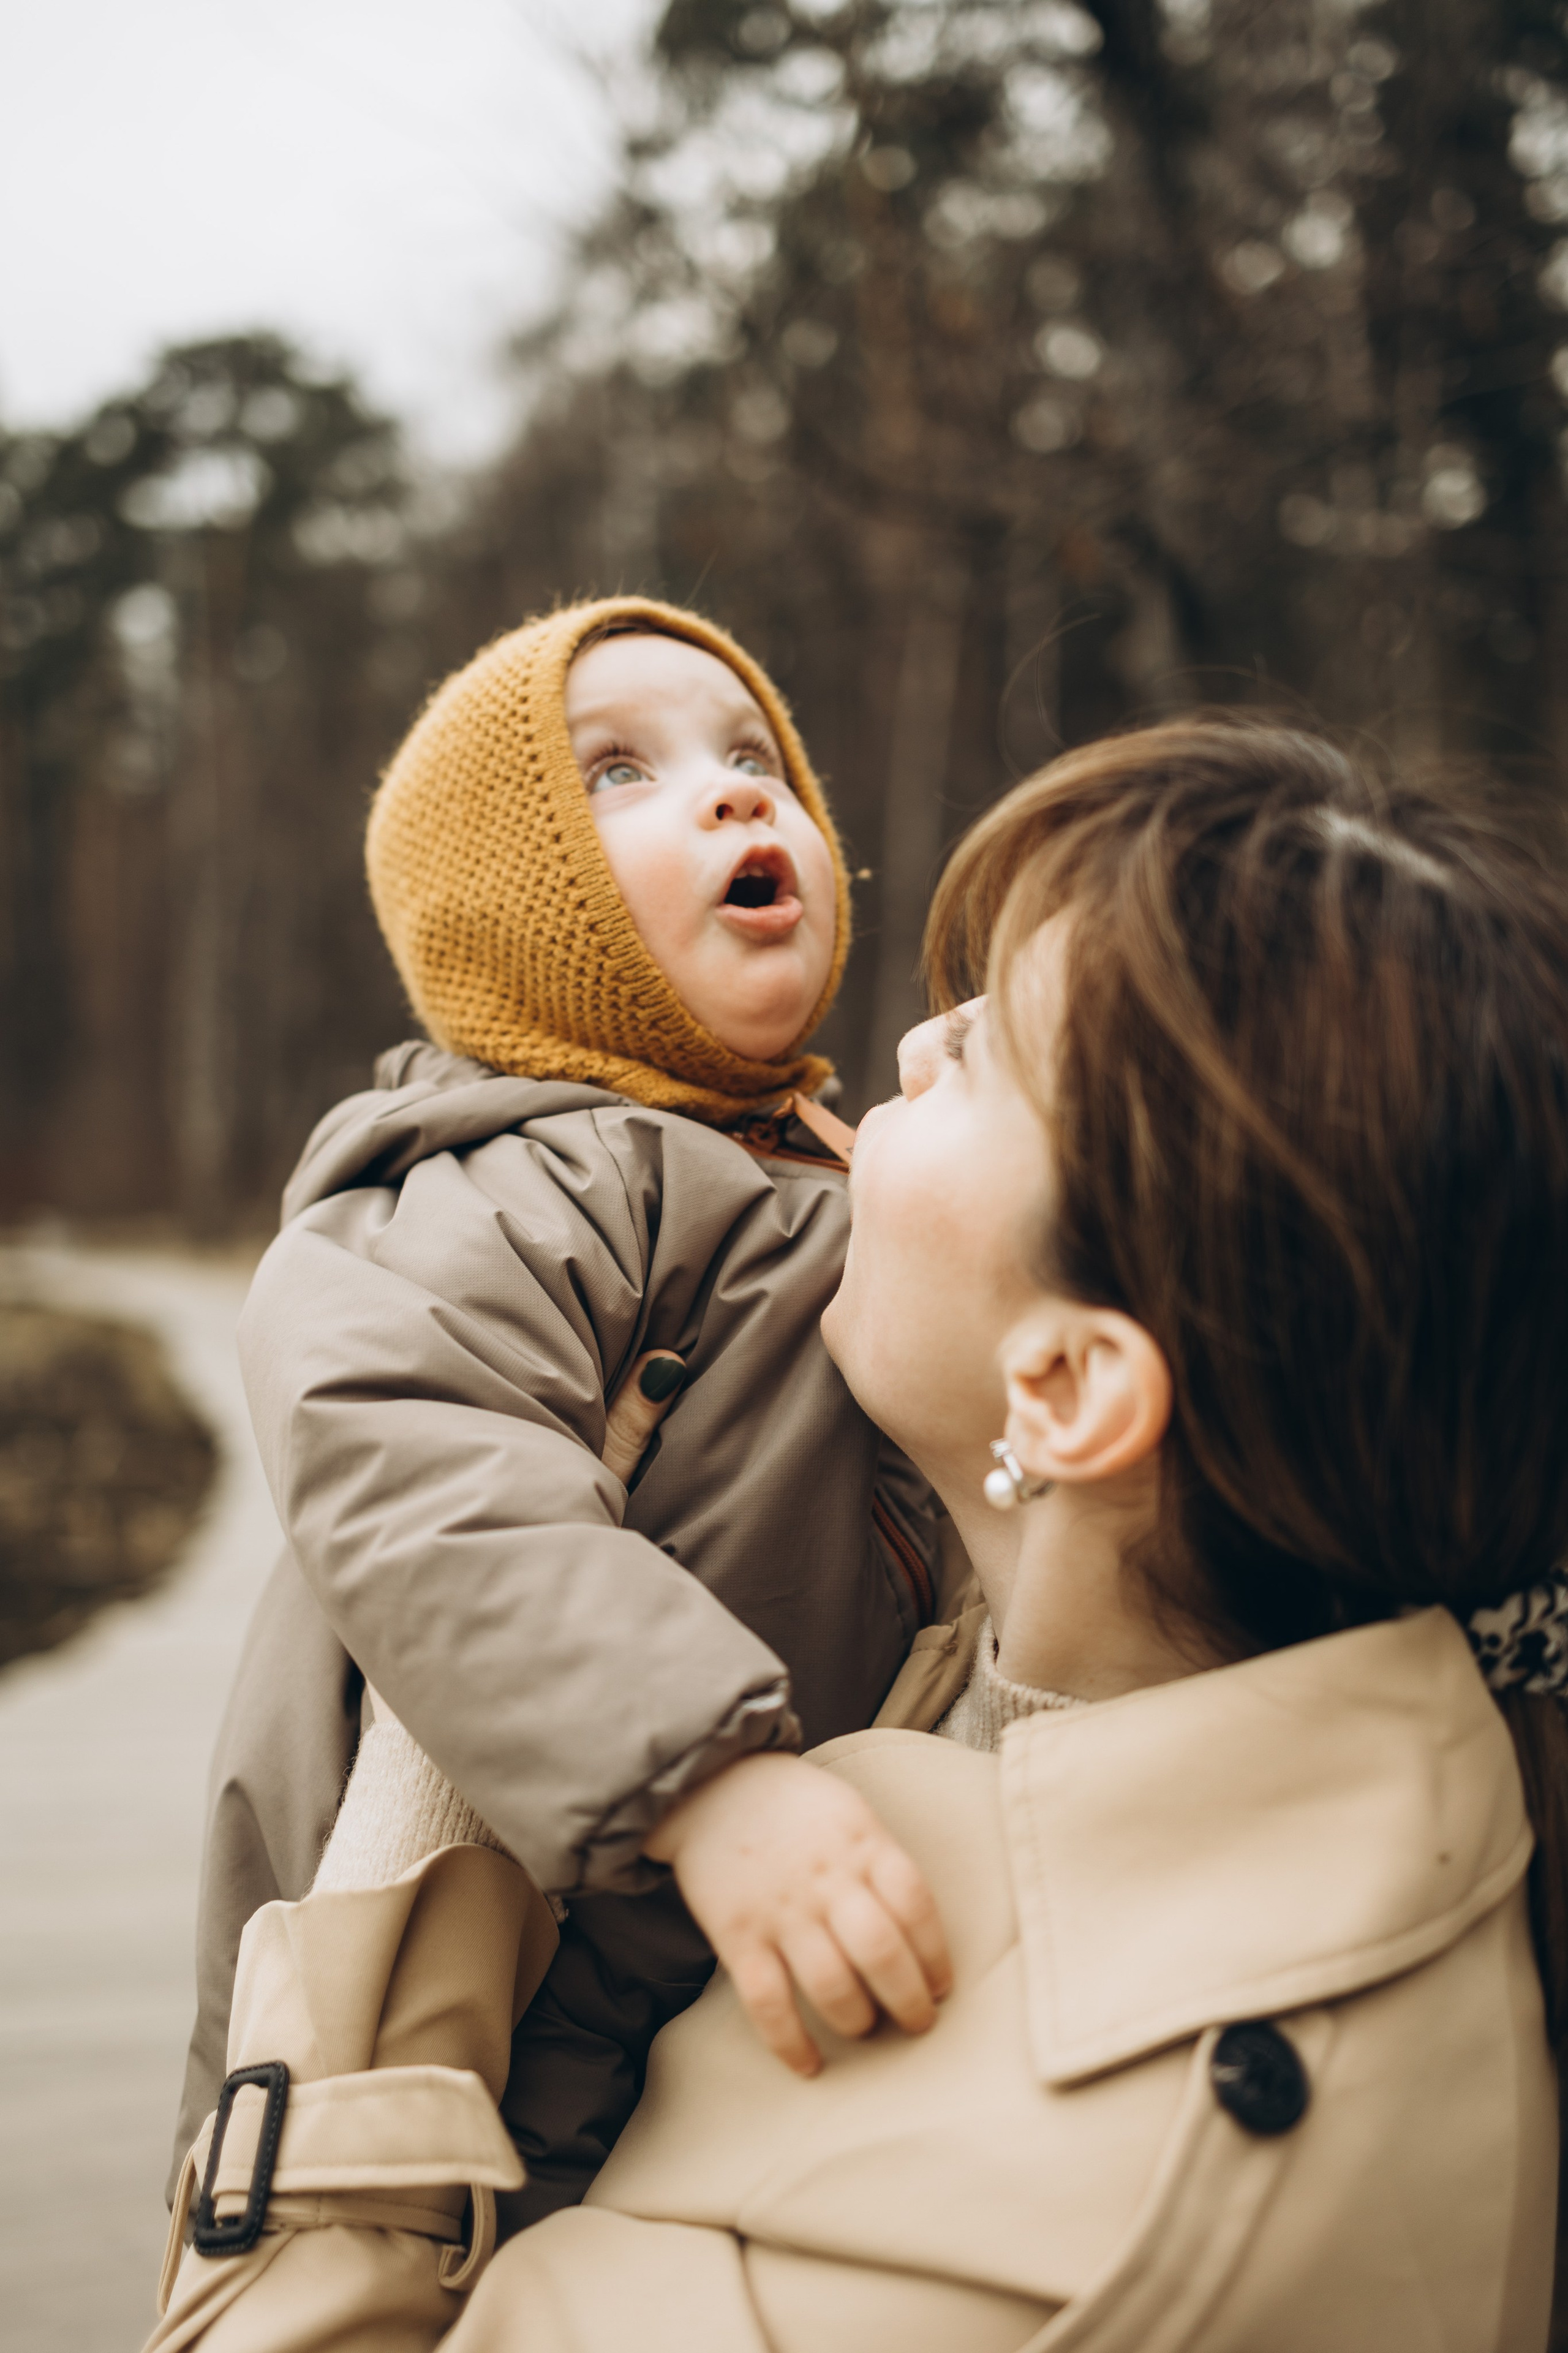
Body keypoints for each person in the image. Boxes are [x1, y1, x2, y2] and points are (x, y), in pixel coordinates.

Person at [156, 716, 1568, 2352]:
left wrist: (415, 1851)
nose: (904, 1048)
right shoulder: (1420, 1794)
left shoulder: (998, 2257)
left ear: (1063, 1389)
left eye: (981, 1060)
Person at [167, 597, 956, 2240]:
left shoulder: (850, 1161)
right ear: (505, 908)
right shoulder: (518, 1174)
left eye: (754, 756)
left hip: (738, 1979)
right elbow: (410, 1451)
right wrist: (702, 1779)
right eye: (622, 772)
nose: (735, 794)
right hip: (491, 1995)